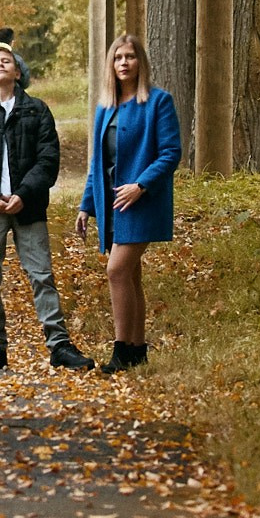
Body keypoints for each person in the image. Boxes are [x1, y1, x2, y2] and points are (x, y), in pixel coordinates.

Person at [0, 43, 95, 371]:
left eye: (8, 61)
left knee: (41, 275)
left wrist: (24, 195)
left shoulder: (37, 110)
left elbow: (48, 159)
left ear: (18, 72)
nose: (1, 64)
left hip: (28, 209)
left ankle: (59, 345)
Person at [74, 34, 182, 372]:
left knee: (116, 269)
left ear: (141, 63)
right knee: (131, 275)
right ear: (111, 64)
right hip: (113, 205)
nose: (124, 63)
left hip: (143, 202)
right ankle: (137, 350)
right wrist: (86, 206)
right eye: (118, 57)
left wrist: (142, 185)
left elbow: (170, 153)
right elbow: (98, 164)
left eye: (130, 57)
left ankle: (121, 350)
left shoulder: (158, 102)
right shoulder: (105, 108)